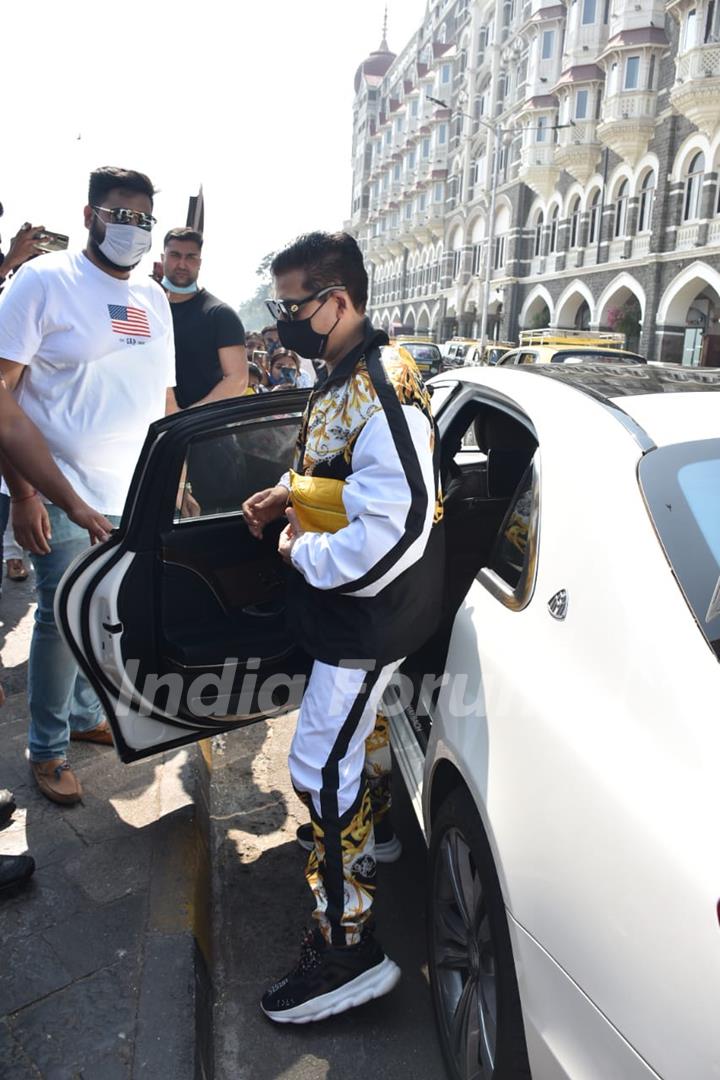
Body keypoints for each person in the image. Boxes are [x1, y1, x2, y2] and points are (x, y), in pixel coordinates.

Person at [242, 231, 444, 1024]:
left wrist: (300, 549)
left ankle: (346, 948)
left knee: (317, 770)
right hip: (356, 616)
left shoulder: (383, 385)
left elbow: (392, 534)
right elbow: (342, 477)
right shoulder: (341, 373)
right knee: (355, 751)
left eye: (294, 306)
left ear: (337, 300)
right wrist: (285, 494)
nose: (284, 321)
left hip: (364, 616)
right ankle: (374, 835)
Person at [0, 165, 176, 806]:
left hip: (126, 491)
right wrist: (23, 494)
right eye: (120, 214)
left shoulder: (153, 300)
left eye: (143, 219)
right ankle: (46, 749)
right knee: (58, 615)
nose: (132, 230)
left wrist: (173, 473)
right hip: (56, 490)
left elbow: (162, 395)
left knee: (99, 615)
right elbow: (3, 391)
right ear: (89, 216)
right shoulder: (43, 281)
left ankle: (79, 715)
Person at [161, 227, 247, 408]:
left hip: (205, 431)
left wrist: (184, 420)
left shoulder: (220, 314)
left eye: (190, 257)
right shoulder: (146, 308)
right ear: (163, 258)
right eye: (175, 255)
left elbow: (237, 380)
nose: (182, 264)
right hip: (144, 427)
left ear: (200, 262)